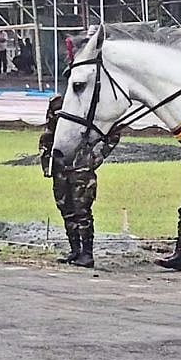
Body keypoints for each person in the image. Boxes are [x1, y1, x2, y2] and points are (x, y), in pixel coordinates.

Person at [39, 94, 120, 268]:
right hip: (60, 166)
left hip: (82, 169)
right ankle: (75, 250)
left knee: (82, 211)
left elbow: (113, 134)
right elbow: (48, 133)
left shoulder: (94, 105)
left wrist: (94, 158)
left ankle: (87, 254)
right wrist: (48, 162)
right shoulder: (58, 103)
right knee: (66, 209)